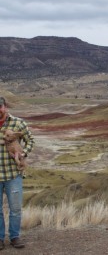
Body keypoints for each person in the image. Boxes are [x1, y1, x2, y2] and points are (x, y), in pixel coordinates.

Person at [0, 96, 34, 249]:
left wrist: (22, 154)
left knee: (15, 208)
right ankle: (0, 238)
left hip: (13, 174)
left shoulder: (18, 123)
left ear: (5, 106)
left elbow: (30, 141)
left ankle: (14, 237)